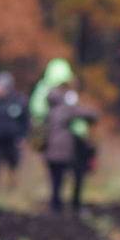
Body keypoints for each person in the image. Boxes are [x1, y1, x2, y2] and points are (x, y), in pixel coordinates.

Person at [37, 62, 92, 214]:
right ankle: (72, 205)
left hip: (49, 144)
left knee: (56, 178)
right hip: (69, 143)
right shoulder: (66, 99)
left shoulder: (43, 95)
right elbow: (80, 114)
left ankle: (56, 206)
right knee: (75, 174)